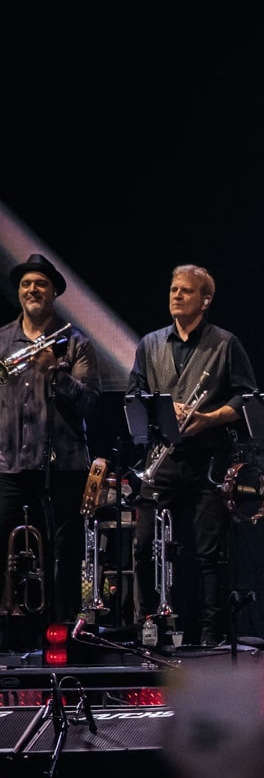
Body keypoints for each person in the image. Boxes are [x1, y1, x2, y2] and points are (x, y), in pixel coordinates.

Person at [129, 264, 258, 647]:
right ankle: (150, 628)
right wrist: (164, 411)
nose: (176, 295)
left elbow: (246, 398)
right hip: (163, 460)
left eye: (185, 291)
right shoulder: (150, 344)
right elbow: (134, 395)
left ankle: (210, 635)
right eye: (173, 289)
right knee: (144, 546)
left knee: (209, 554)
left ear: (206, 300)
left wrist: (208, 418)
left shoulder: (225, 343)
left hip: (209, 461)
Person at [0, 255, 99, 627]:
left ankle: (62, 633)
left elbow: (90, 403)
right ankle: (11, 633)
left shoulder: (75, 343)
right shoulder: (2, 341)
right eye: (26, 284)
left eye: (40, 283)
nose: (32, 290)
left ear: (53, 291)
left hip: (64, 467)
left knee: (63, 554)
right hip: (9, 464)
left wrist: (55, 373)